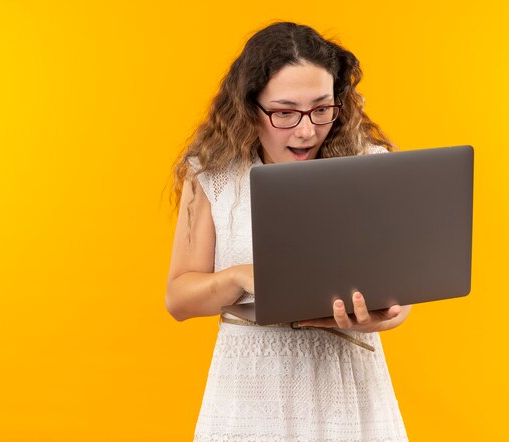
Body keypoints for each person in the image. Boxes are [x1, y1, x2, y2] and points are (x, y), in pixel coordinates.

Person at [166, 21, 411, 441]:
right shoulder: (214, 176)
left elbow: (400, 298)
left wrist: (381, 316)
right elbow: (178, 298)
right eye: (284, 112)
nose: (306, 130)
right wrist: (241, 276)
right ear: (249, 107)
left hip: (346, 383)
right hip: (250, 384)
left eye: (321, 108)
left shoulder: (370, 164)